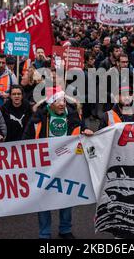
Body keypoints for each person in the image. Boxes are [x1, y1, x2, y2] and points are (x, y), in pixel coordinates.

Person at [23, 87, 93, 239]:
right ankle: (44, 233)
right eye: (58, 101)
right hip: (44, 166)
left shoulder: (72, 115)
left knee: (67, 197)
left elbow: (81, 128)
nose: (62, 104)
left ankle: (65, 230)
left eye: (63, 100)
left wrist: (86, 130)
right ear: (50, 103)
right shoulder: (39, 117)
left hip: (67, 164)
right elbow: (26, 139)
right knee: (43, 199)